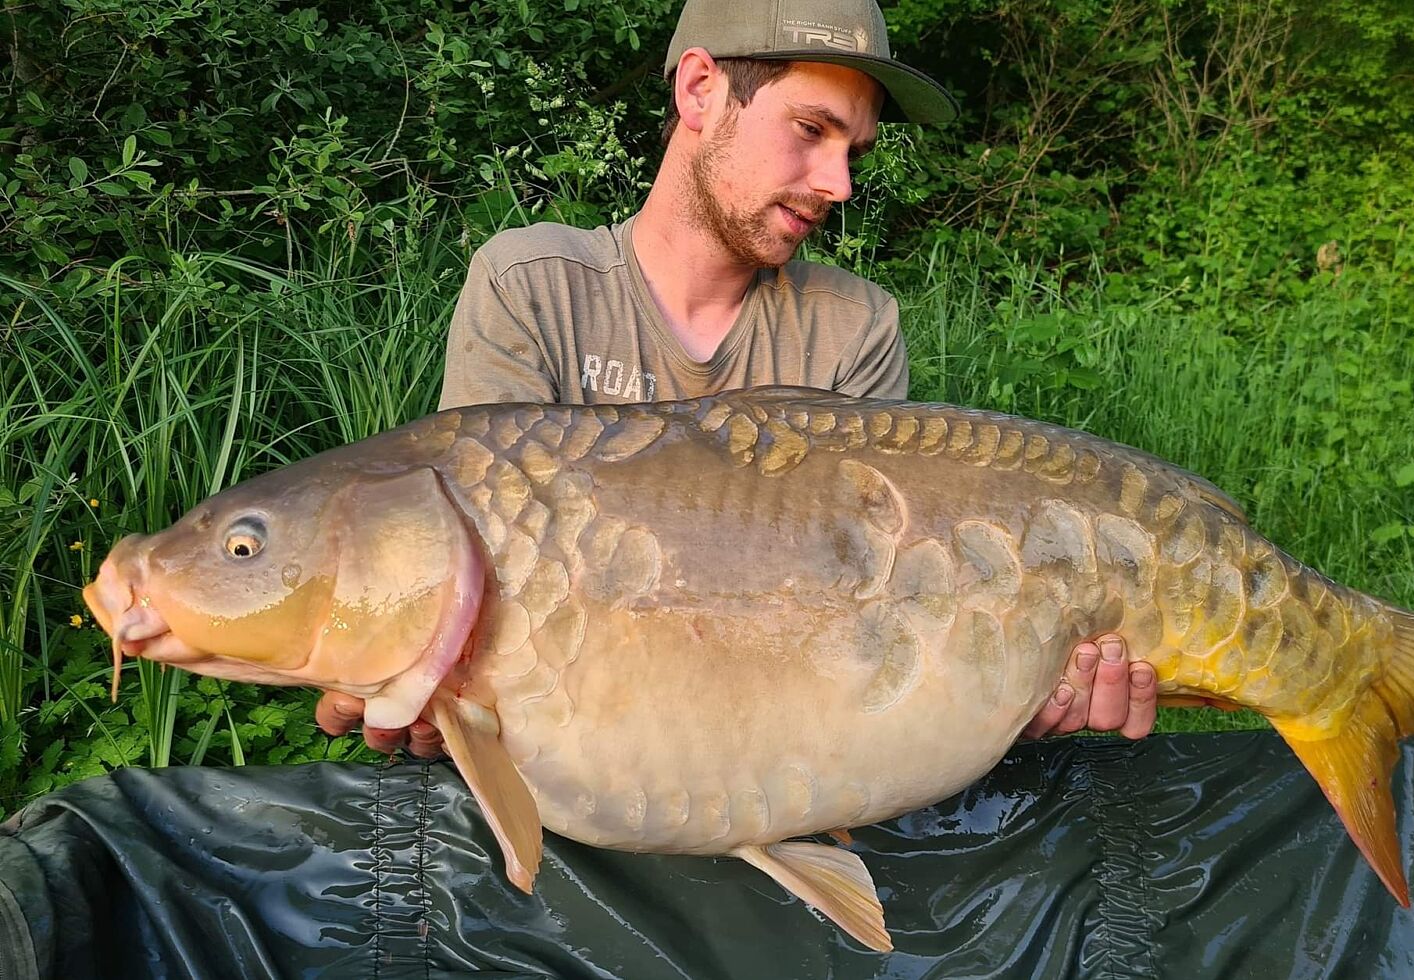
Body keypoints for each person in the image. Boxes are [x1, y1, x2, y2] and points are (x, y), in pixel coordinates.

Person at [315, 0, 1158, 757]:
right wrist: (432, 680)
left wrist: (1005, 684)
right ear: (700, 91)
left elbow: (874, 630)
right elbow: (489, 585)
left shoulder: (853, 328)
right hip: (577, 770)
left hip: (776, 757)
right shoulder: (531, 286)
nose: (841, 184)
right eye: (810, 130)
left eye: (853, 150)